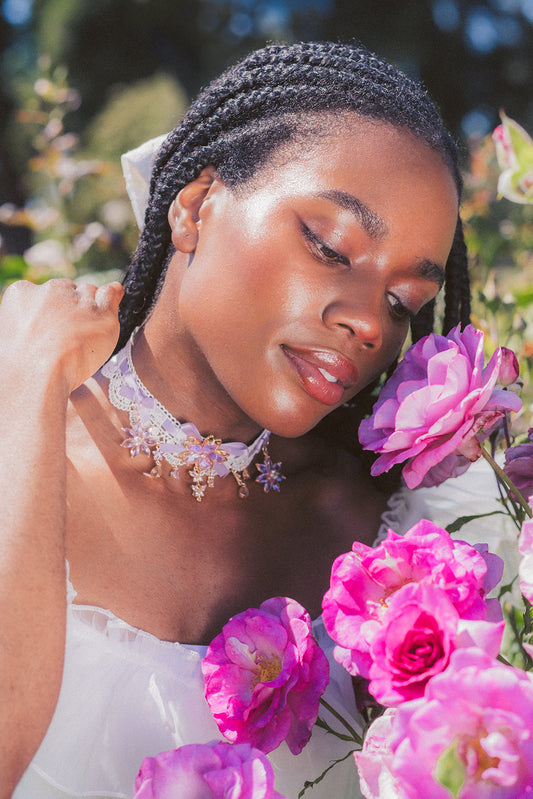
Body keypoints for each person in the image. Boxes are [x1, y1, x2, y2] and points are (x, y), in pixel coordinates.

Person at [0, 41, 469, 799]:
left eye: (401, 303)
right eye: (329, 246)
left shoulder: (401, 543)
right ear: (193, 205)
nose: (369, 326)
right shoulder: (14, 435)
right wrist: (20, 383)